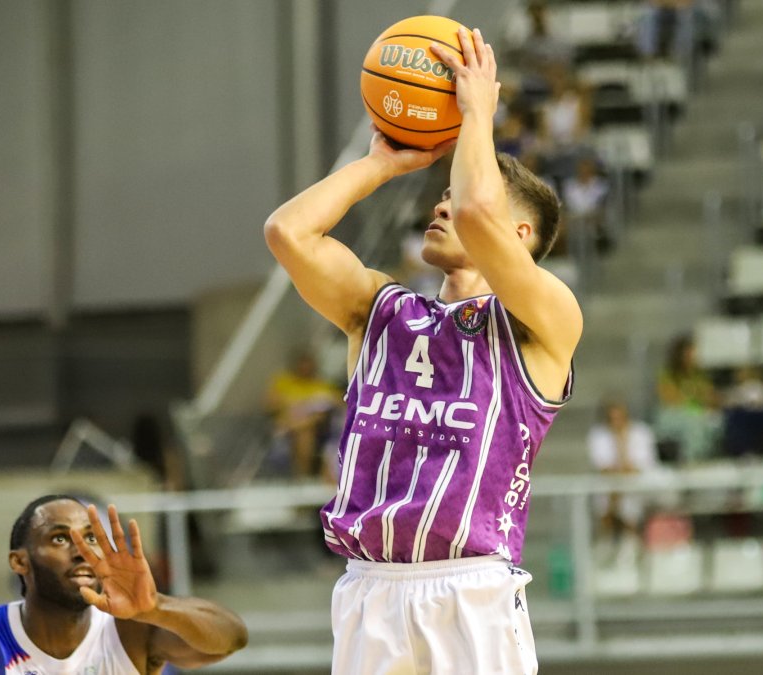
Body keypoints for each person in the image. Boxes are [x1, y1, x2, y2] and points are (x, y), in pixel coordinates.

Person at [264, 27, 579, 675]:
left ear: (521, 233)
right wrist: (380, 163)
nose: (442, 207)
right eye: (439, 198)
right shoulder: (380, 311)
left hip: (469, 586)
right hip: (368, 586)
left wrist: (477, 116)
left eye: (449, 196)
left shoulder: (544, 321)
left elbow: (475, 215)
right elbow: (287, 231)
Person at [0, 496, 247, 674]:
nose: (81, 552)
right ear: (19, 562)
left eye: (91, 538)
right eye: (59, 538)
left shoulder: (130, 630)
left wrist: (157, 607)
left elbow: (231, 638)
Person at [588, 398, 659, 551]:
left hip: (636, 484)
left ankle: (630, 537)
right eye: (612, 419)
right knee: (606, 495)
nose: (617, 423)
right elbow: (604, 467)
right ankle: (608, 537)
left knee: (629, 498)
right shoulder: (599, 435)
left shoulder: (641, 432)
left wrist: (623, 446)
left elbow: (641, 466)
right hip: (610, 486)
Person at [265, 350, 344, 479]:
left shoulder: (322, 385)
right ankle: (303, 475)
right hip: (287, 430)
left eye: (309, 366)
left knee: (309, 427)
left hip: (319, 429)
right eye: (303, 366)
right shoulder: (283, 383)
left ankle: (308, 475)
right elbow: (269, 406)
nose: (306, 369)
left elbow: (341, 404)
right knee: (304, 431)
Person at [655, 334, 719, 462]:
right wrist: (696, 396)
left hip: (697, 413)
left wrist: (698, 397)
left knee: (716, 422)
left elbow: (712, 398)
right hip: (672, 414)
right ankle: (691, 459)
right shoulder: (668, 374)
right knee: (693, 424)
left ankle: (709, 457)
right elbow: (671, 399)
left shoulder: (699, 375)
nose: (692, 356)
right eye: (689, 353)